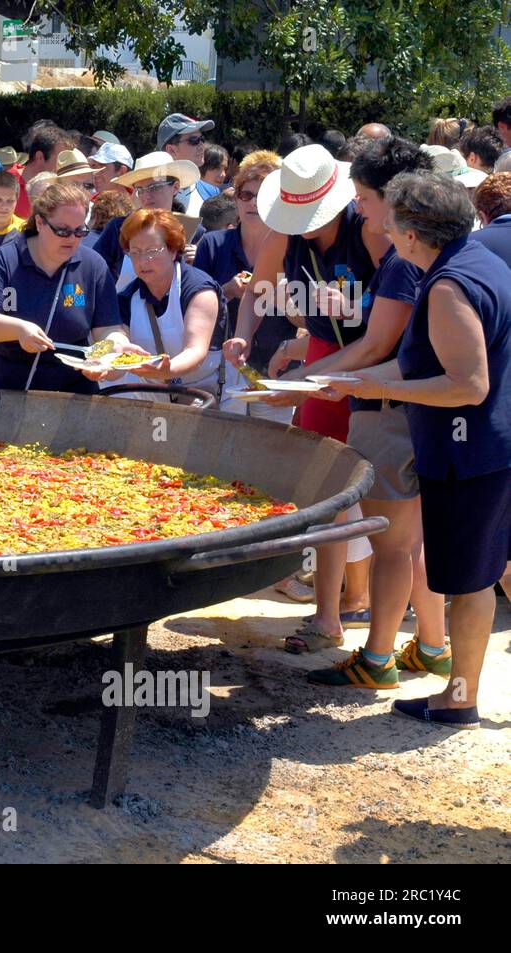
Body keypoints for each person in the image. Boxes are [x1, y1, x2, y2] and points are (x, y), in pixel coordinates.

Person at [322, 173, 511, 726]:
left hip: (470, 453)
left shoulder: (449, 286)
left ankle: (458, 700)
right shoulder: (475, 264)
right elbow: (420, 361)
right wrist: (349, 381)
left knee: (471, 584)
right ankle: (458, 695)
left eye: (391, 219)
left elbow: (466, 383)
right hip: (486, 449)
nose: (381, 226)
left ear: (411, 233)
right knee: (480, 575)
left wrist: (378, 390)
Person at [264, 140, 445, 673]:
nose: (362, 209)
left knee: (393, 533)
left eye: (365, 198)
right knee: (392, 527)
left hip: (384, 392)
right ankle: (429, 646)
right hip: (374, 383)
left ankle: (381, 657)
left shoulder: (395, 257)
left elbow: (377, 343)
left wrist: (313, 376)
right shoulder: (425, 249)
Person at [226, 143, 389, 643]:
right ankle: (328, 617)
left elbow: (401, 304)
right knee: (326, 487)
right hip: (321, 353)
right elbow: (258, 290)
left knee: (387, 496)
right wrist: (245, 334)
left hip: (378, 362)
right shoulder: (285, 235)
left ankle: (393, 624)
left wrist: (356, 304)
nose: (304, 223)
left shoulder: (371, 233)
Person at [0, 179, 130, 393]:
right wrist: (19, 329)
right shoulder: (7, 258)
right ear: (40, 223)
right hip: (7, 390)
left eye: (79, 231)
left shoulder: (93, 265)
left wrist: (114, 347)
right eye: (62, 231)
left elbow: (108, 327)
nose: (72, 239)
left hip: (72, 392)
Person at [193, 149, 297, 421]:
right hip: (222, 370)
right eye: (246, 195)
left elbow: (314, 319)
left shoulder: (295, 248)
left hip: (278, 369)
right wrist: (226, 291)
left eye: (263, 196)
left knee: (273, 452)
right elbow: (190, 307)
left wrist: (281, 299)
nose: (253, 203)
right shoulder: (212, 244)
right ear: (236, 198)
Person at [106, 208, 222, 401]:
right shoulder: (127, 297)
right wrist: (107, 366)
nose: (143, 261)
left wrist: (169, 369)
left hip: (206, 393)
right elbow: (121, 344)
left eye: (152, 251)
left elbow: (196, 350)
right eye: (135, 252)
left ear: (173, 249)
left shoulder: (198, 288)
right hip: (154, 394)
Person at [92, 151, 203, 289]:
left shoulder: (193, 230)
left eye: (154, 188)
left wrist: (199, 259)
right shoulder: (119, 227)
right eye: (140, 189)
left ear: (175, 188)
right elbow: (94, 272)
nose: (146, 196)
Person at [14, 122, 76, 218]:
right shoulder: (2, 183)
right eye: (61, 159)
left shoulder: (62, 191)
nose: (65, 166)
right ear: (39, 157)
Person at [158, 113, 215, 213]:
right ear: (171, 150)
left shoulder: (211, 192)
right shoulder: (148, 193)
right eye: (194, 140)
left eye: (202, 139)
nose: (201, 146)